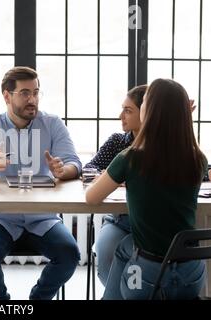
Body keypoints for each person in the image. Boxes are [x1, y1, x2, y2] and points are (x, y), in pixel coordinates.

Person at [0, 66, 81, 300]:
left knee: (69, 255)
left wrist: (62, 170)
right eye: (25, 93)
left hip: (43, 217)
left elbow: (74, 163)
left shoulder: (52, 124)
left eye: (36, 93)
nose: (32, 99)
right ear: (7, 96)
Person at [86, 78, 208, 300]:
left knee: (126, 247)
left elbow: (91, 197)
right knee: (127, 244)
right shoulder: (198, 158)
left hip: (146, 275)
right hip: (193, 274)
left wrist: (112, 177)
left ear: (149, 111)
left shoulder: (130, 158)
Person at [83, 84, 147, 286]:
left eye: (128, 111)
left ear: (147, 112)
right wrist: (110, 177)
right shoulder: (118, 142)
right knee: (107, 256)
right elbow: (89, 170)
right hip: (120, 220)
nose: (121, 116)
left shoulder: (168, 150)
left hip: (152, 224)